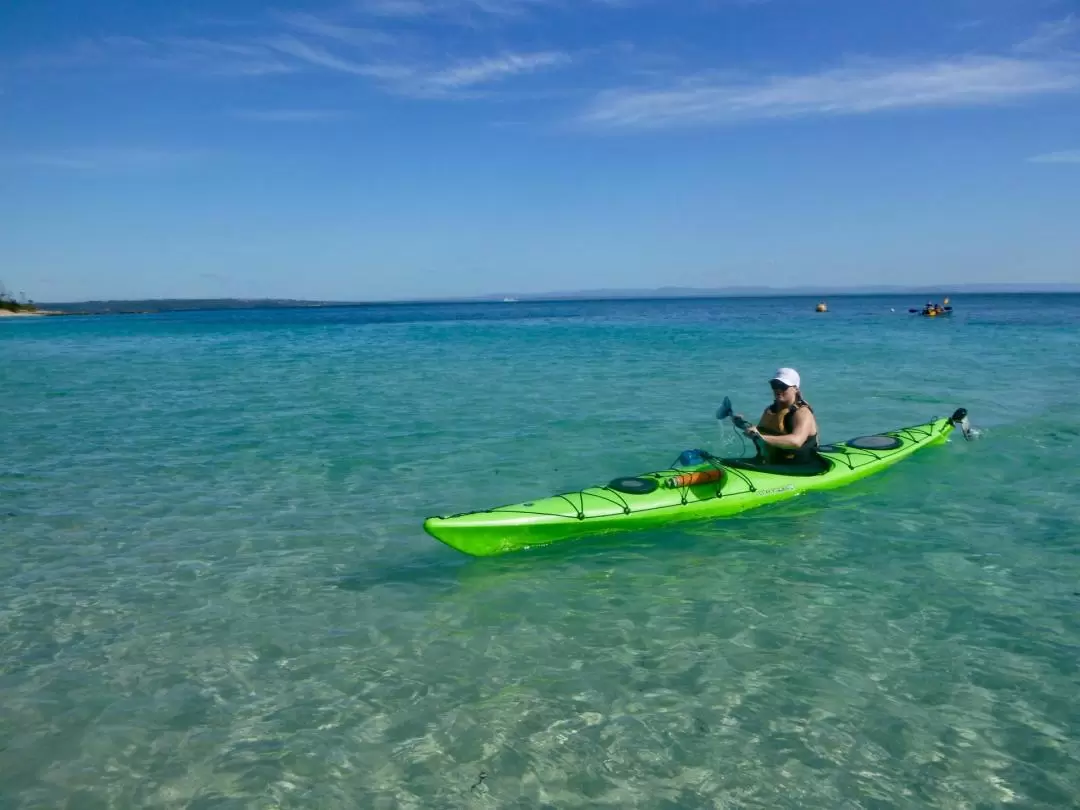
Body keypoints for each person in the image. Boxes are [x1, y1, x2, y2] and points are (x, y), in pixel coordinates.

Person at [741, 368, 820, 464]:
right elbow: (762, 431)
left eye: (783, 386)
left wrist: (761, 437)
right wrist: (744, 425)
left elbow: (796, 442)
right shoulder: (771, 410)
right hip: (774, 463)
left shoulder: (802, 413)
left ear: (795, 389)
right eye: (774, 385)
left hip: (801, 467)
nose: (777, 389)